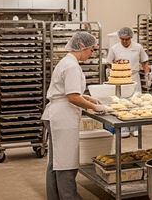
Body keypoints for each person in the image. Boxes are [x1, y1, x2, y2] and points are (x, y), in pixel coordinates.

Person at [42, 32, 111, 200]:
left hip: (56, 114)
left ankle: (54, 196)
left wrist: (88, 97)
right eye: (91, 50)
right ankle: (69, 197)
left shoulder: (66, 62)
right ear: (82, 47)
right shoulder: (72, 66)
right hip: (62, 117)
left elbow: (67, 91)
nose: (92, 53)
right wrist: (96, 107)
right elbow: (72, 96)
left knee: (56, 161)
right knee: (66, 161)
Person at [107, 27, 149, 138]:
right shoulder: (114, 48)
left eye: (127, 39)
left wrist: (147, 76)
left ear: (131, 37)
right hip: (120, 79)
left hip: (134, 77)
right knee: (122, 103)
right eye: (122, 39)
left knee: (136, 103)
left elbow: (144, 62)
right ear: (119, 38)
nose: (125, 41)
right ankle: (124, 128)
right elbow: (109, 63)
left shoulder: (138, 47)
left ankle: (135, 127)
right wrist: (115, 72)